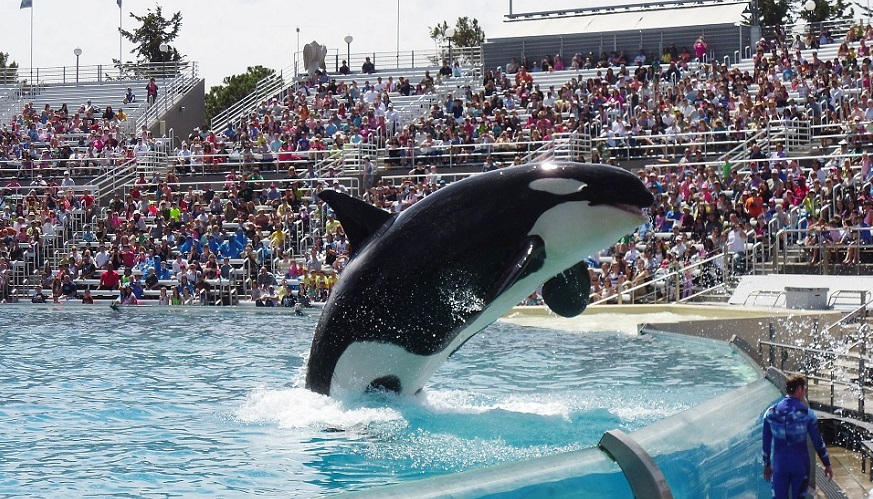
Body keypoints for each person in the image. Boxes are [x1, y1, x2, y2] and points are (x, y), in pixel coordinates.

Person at [762, 374, 833, 498]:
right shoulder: (807, 414)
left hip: (780, 465)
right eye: (804, 389)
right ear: (799, 389)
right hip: (801, 465)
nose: (804, 393)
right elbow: (817, 442)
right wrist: (827, 464)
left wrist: (767, 465)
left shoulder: (771, 413)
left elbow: (766, 443)